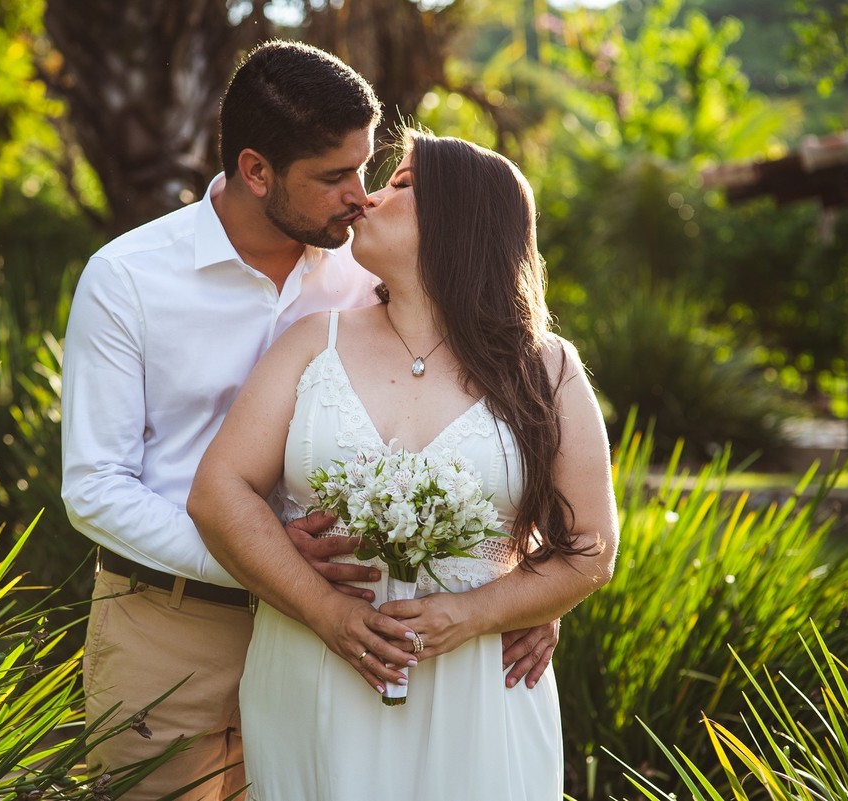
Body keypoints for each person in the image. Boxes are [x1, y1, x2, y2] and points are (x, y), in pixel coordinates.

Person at [61, 41, 559, 801]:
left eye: (365, 169)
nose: (359, 195)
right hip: (172, 625)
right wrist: (263, 561)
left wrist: (520, 583)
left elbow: (477, 410)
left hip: (337, 640)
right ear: (257, 171)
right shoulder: (127, 280)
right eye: (334, 177)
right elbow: (95, 489)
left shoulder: (377, 266)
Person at [188, 132, 620, 799]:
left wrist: (473, 613)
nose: (369, 194)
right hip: (313, 667)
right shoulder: (313, 341)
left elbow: (590, 548)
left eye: (403, 183)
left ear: (462, 220)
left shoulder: (547, 369)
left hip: (476, 683)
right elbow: (219, 492)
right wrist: (328, 612)